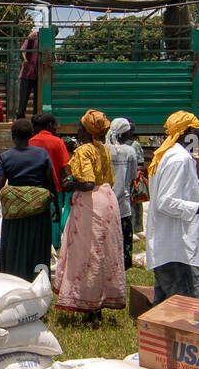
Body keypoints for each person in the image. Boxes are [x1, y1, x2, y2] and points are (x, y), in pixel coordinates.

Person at [146, 111, 199, 303]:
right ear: (186, 132)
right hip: (177, 248)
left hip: (168, 245)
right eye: (197, 131)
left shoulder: (167, 155)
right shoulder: (178, 159)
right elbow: (166, 202)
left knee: (164, 306)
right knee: (188, 306)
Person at [50, 111, 127, 320]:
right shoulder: (103, 149)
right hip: (107, 200)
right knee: (103, 253)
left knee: (86, 254)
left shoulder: (84, 151)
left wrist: (69, 185)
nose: (77, 130)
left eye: (80, 127)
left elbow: (88, 183)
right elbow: (108, 179)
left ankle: (89, 304)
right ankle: (99, 303)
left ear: (87, 130)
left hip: (90, 203)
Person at [0, 118, 56, 281]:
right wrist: (56, 207)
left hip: (14, 214)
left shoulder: (6, 157)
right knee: (38, 248)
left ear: (13, 135)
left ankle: (12, 280)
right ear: (31, 134)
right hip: (39, 213)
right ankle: (38, 280)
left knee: (14, 248)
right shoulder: (42, 154)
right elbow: (51, 184)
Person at [31, 113, 72, 249]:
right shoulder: (58, 142)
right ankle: (54, 245)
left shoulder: (31, 141)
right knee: (54, 218)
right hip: (54, 188)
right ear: (49, 125)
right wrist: (65, 185)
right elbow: (63, 167)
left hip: (34, 188)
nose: (56, 128)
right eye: (54, 125)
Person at [108, 118, 138, 270]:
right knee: (123, 238)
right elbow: (133, 176)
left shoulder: (104, 149)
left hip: (105, 203)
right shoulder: (129, 151)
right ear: (124, 133)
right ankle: (122, 267)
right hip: (123, 204)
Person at [15, 30, 39, 120]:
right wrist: (25, 60)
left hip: (39, 74)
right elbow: (23, 49)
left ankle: (35, 120)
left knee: (38, 101)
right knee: (23, 100)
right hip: (27, 73)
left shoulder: (48, 39)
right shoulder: (34, 35)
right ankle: (20, 118)